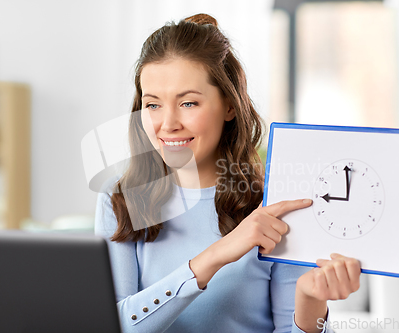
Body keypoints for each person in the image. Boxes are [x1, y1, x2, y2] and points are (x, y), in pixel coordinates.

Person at [95, 13, 361, 333]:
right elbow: (111, 324)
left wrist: (310, 302)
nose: (167, 124)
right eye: (153, 105)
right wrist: (216, 255)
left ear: (230, 106)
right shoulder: (119, 199)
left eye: (189, 103)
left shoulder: (272, 206)